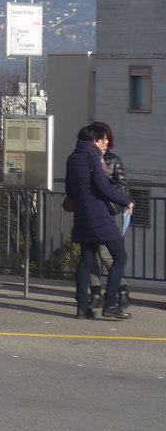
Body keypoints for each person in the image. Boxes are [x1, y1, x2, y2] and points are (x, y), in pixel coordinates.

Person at [65, 123, 134, 319]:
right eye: (102, 139)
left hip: (82, 215)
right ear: (94, 140)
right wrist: (126, 200)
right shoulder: (92, 156)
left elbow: (70, 191)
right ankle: (111, 303)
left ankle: (82, 307)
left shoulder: (73, 158)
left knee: (86, 260)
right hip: (99, 216)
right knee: (120, 257)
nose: (105, 142)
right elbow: (103, 187)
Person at [86, 123, 132, 311]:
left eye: (105, 138)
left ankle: (121, 289)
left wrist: (106, 192)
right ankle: (95, 293)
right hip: (89, 211)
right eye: (99, 139)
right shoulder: (85, 159)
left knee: (106, 254)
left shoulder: (113, 160)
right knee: (89, 256)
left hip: (107, 213)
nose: (103, 142)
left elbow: (122, 185)